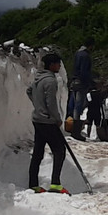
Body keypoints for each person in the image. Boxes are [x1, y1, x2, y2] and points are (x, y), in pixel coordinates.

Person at [26, 52, 70, 194]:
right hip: (47, 121)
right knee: (59, 151)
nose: (59, 66)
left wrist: (38, 106)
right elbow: (51, 103)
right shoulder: (51, 81)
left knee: (38, 152)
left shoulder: (38, 79)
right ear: (52, 65)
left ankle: (33, 184)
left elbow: (29, 91)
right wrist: (57, 118)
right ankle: (55, 184)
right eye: (58, 63)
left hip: (37, 120)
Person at [71, 38, 95, 121]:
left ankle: (72, 121)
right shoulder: (85, 56)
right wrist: (91, 82)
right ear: (91, 46)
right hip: (82, 83)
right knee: (80, 104)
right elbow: (84, 71)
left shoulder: (77, 53)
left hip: (74, 81)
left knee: (75, 104)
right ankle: (76, 123)